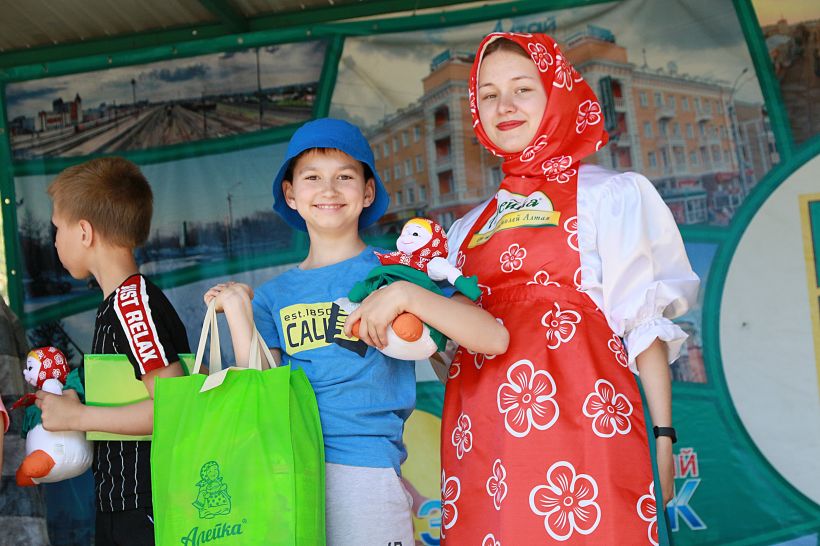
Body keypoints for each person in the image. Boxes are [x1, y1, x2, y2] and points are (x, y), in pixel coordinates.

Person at [358, 33, 698, 544]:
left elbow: (643, 326)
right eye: (489, 95)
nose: (505, 106)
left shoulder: (609, 195)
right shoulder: (465, 229)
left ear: (557, 92)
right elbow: (450, 353)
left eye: (523, 88)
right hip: (483, 437)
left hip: (588, 426)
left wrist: (664, 436)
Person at [205, 118, 508, 546]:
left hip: (366, 471)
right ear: (291, 194)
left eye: (344, 177)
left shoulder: (399, 270)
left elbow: (492, 339)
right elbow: (263, 396)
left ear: (367, 192)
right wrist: (238, 312)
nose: (328, 191)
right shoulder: (273, 296)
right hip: (288, 469)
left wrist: (406, 294)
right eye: (312, 178)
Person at [35, 157, 190, 546]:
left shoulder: (132, 305)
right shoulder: (119, 304)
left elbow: (173, 405)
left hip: (147, 504)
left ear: (84, 232)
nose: (54, 241)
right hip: (122, 502)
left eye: (58, 229)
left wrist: (79, 415)